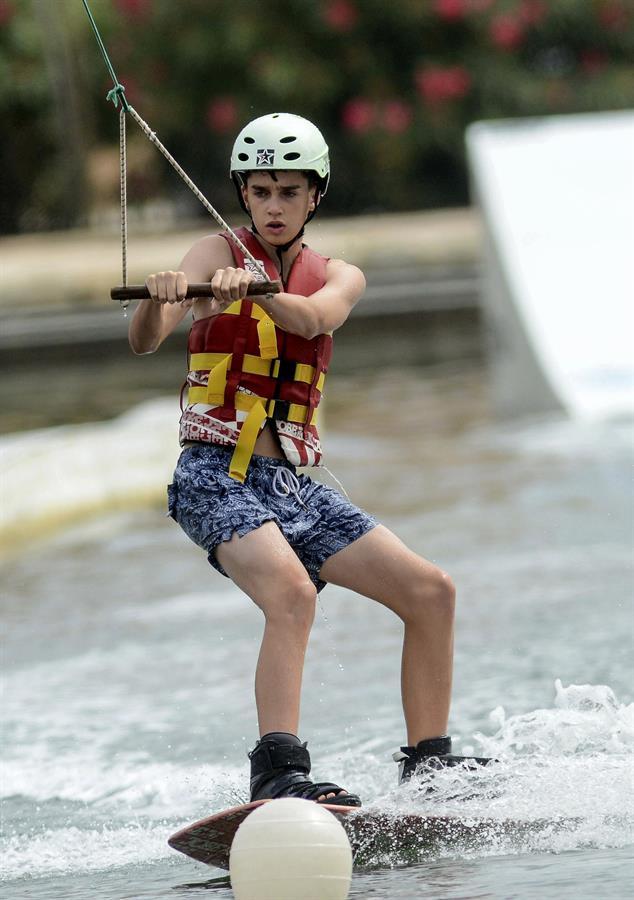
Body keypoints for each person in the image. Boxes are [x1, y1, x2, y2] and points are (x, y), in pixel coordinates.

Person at [129, 112, 490, 808]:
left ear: (314, 196)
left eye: (288, 192)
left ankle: (429, 765)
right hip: (213, 476)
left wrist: (258, 291)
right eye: (260, 191)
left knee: (432, 592)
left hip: (290, 486)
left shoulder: (341, 275)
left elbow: (317, 317)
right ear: (243, 192)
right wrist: (164, 296)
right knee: (291, 594)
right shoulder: (211, 253)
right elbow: (146, 340)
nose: (272, 206)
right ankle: (278, 770)